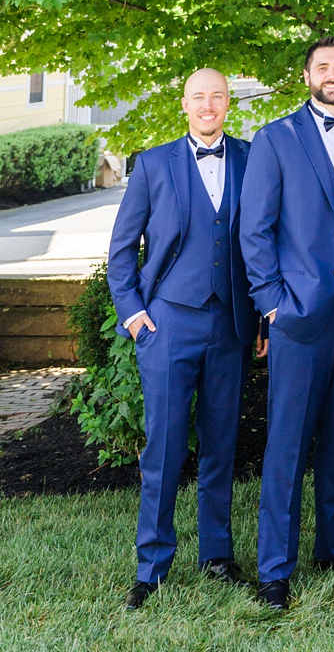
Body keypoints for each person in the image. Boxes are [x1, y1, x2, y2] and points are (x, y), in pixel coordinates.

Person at [239, 37, 334, 610]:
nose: (333, 74)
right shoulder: (276, 138)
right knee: (286, 443)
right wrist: (272, 302)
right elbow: (254, 230)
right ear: (306, 74)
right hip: (298, 317)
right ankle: (275, 568)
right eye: (323, 66)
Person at [109, 68, 259, 610]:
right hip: (169, 322)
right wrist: (133, 313)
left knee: (222, 444)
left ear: (227, 104)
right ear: (185, 104)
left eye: (217, 97)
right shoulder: (153, 164)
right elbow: (123, 248)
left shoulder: (249, 157)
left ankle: (217, 555)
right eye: (198, 97)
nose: (208, 105)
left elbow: (262, 238)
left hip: (231, 325)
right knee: (165, 448)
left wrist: (261, 315)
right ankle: (151, 566)